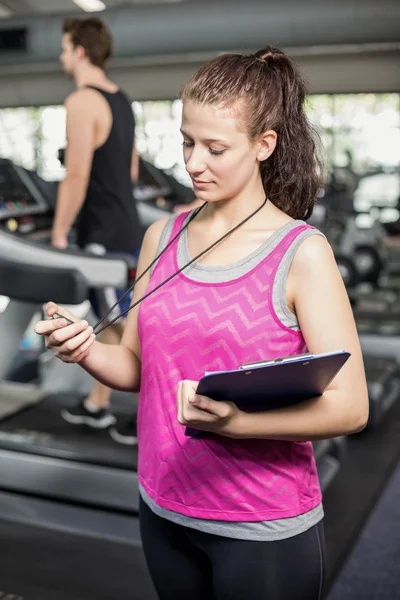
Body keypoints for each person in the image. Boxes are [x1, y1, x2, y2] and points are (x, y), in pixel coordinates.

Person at [35, 46, 369, 599]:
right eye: (187, 142)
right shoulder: (160, 237)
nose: (193, 163)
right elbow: (139, 366)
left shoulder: (301, 253)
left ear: (264, 146)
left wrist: (236, 424)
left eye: (216, 148)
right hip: (162, 506)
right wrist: (85, 350)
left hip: (260, 523)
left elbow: (351, 406)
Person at [52, 17, 144, 444]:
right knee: (110, 321)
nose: (60, 55)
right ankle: (97, 405)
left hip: (100, 234)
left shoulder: (81, 101)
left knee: (124, 327)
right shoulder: (122, 100)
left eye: (65, 48)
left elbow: (77, 176)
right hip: (126, 227)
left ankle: (170, 409)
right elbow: (131, 170)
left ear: (80, 52)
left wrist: (58, 234)